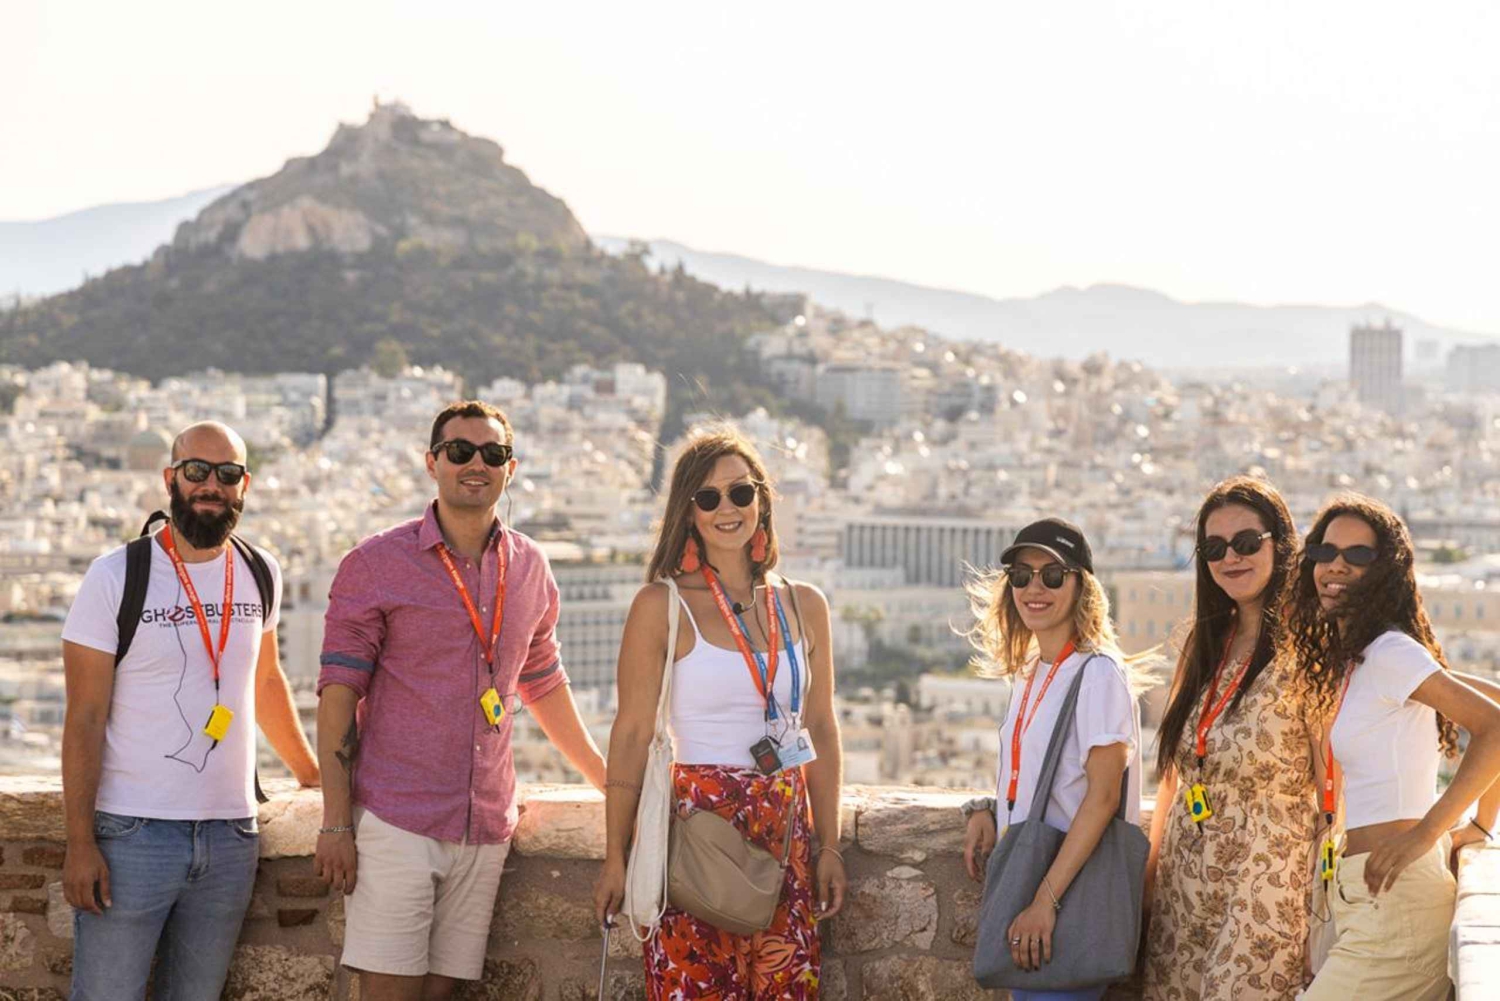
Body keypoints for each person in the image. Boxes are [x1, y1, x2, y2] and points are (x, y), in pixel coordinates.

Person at [315, 400, 607, 1001]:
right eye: (460, 451)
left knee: (441, 995)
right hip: (397, 817)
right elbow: (339, 694)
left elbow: (543, 679)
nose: (476, 464)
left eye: (492, 453)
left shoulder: (530, 566)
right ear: (432, 463)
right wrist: (336, 821)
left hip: (485, 822)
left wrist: (607, 779)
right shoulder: (376, 563)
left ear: (511, 467)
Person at [60, 420, 320, 1000]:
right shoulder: (115, 576)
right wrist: (80, 842)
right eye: (197, 472)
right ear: (170, 478)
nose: (211, 485)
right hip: (132, 833)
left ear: (245, 484)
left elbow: (265, 679)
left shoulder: (260, 571)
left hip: (230, 835)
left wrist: (309, 774)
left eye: (227, 474)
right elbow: (83, 717)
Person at [593, 426, 846, 999]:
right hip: (696, 835)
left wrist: (828, 845)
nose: (727, 508)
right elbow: (630, 734)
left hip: (786, 835)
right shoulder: (661, 605)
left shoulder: (805, 606)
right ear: (688, 511)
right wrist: (615, 856)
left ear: (762, 500)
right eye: (708, 497)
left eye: (741, 492)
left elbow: (822, 728)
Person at [1289, 494, 1500, 1001]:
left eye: (1358, 556)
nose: (1336, 565)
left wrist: (1440, 830)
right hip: (1367, 899)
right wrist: (1470, 825)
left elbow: (1494, 726)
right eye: (1325, 551)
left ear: (1386, 572)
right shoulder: (1364, 659)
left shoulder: (1389, 651)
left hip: (1398, 906)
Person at [1142, 476, 1325, 1000]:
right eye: (1214, 547)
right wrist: (1150, 878)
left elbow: (1334, 781)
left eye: (1247, 543)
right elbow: (1174, 778)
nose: (1231, 558)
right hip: (1187, 880)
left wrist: (1326, 903)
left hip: (1267, 880)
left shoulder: (1310, 647)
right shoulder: (1202, 643)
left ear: (1281, 545)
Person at [960, 517, 1143, 1001]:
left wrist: (1045, 901)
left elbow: (1102, 798)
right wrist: (986, 807)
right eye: (1021, 576)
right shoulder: (1030, 671)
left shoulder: (1098, 673)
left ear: (1082, 586)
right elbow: (1041, 773)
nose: (1034, 587)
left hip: (1064, 897)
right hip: (1032, 886)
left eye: (1052, 575)